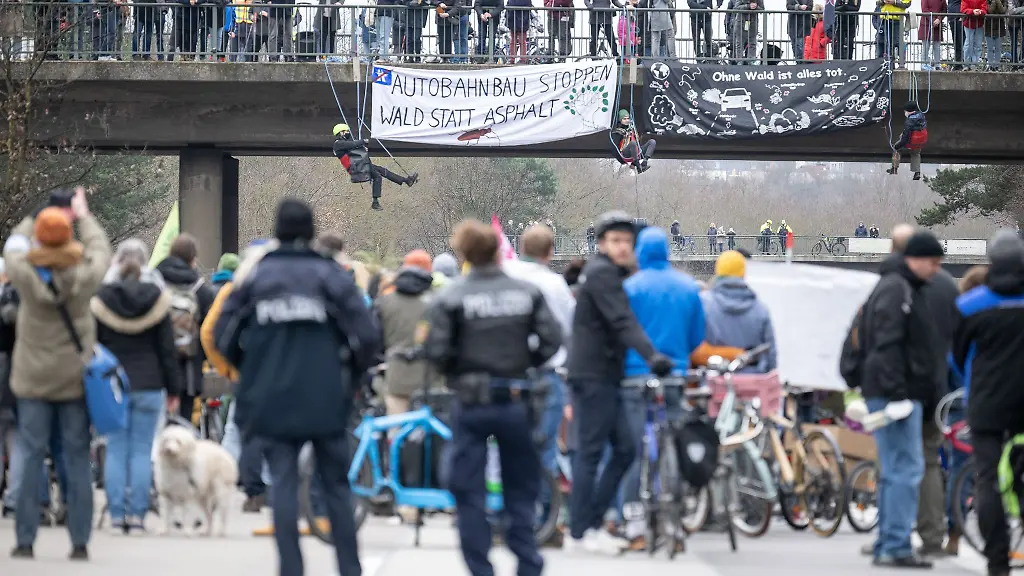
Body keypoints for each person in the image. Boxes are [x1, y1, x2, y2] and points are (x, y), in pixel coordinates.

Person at [215, 198, 381, 576]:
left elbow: (224, 336)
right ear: (310, 232)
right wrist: (350, 376)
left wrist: (252, 371)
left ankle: (291, 568)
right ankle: (348, 568)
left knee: (285, 485)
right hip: (326, 396)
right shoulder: (331, 276)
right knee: (337, 486)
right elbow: (367, 336)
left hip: (272, 397)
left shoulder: (256, 278)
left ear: (276, 230)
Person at [422, 219, 563, 576]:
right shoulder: (525, 293)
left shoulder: (452, 296)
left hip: (471, 401)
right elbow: (552, 339)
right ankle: (527, 561)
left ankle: (480, 566)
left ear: (465, 253)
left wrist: (458, 370)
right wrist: (524, 364)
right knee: (521, 484)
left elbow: (436, 351)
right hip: (516, 397)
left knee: (468, 488)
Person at [4, 188, 111, 560]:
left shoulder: (24, 275)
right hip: (73, 381)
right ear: (68, 236)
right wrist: (82, 215)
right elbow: (101, 251)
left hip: (32, 380)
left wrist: (40, 211)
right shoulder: (83, 278)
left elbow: (14, 245)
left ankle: (24, 540)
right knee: (77, 457)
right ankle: (79, 541)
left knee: (31, 455)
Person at [565, 210, 673, 554]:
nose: (623, 247)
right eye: (615, 240)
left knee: (625, 449)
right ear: (601, 244)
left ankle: (590, 522)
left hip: (604, 376)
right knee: (590, 455)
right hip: (594, 377)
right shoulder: (601, 275)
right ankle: (581, 531)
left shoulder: (605, 273)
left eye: (627, 241)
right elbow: (622, 320)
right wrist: (651, 355)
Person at [859, 230, 946, 569]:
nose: (937, 270)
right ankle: (895, 543)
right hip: (896, 393)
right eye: (934, 262)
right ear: (917, 258)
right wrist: (898, 393)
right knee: (905, 469)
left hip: (892, 391)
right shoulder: (899, 288)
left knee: (896, 468)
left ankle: (888, 541)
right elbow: (889, 343)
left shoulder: (896, 285)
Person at [619, 226, 704, 548]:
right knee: (675, 442)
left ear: (640, 252)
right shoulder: (687, 288)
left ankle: (635, 524)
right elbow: (697, 337)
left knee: (635, 449)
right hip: (675, 376)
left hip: (634, 376)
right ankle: (677, 519)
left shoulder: (630, 288)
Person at [91, 239, 182, 534]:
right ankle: (138, 516)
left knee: (116, 449)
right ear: (145, 265)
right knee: (143, 451)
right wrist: (174, 389)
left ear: (116, 262)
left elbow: (93, 348)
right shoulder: (157, 297)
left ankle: (117, 516)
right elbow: (168, 349)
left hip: (113, 386)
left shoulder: (102, 298)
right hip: (150, 383)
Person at [952, 231, 1024, 576]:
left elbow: (956, 357)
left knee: (988, 480)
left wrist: (972, 383)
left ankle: (998, 560)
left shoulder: (970, 305)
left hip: (987, 405)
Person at [889, 225, 959, 560]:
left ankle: (894, 534)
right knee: (930, 460)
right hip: (939, 385)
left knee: (895, 463)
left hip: (904, 385)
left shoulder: (898, 285)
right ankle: (932, 535)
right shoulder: (948, 286)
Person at [502, 224, 575, 537]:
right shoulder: (556, 285)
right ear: (551, 252)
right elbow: (568, 331)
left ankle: (505, 512)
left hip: (507, 373)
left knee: (506, 446)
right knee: (544, 449)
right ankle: (544, 518)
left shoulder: (504, 275)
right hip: (547, 373)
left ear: (520, 247)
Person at [155, 233, 217, 425]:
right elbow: (212, 329)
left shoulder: (154, 283)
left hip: (156, 368)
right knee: (183, 425)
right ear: (193, 258)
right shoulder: (200, 290)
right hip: (189, 369)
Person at [376, 249, 438, 417]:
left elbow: (374, 341)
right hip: (431, 381)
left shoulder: (385, 301)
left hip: (396, 378)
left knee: (397, 433)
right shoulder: (437, 302)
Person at [701, 251, 777, 373]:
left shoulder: (703, 303)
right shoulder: (760, 309)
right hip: (753, 382)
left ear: (718, 271)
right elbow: (770, 353)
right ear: (744, 273)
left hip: (715, 383)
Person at [332, 123, 418, 211]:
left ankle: (406, 180)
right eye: (346, 131)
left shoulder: (342, 144)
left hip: (359, 166)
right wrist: (363, 141)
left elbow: (353, 150)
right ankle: (375, 202)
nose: (347, 133)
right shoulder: (338, 144)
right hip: (357, 168)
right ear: (341, 133)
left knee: (382, 170)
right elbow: (352, 145)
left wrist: (362, 147)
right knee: (377, 176)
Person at [888, 102, 927, 181]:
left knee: (896, 148)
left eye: (905, 111)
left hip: (912, 141)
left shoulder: (909, 121)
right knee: (916, 153)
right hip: (921, 140)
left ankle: (894, 168)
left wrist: (898, 146)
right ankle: (917, 172)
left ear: (908, 111)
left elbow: (905, 138)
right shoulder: (921, 115)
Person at [611, 109, 655, 174]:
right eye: (624, 119)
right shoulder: (618, 132)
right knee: (632, 143)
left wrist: (633, 163)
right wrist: (622, 161)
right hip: (625, 153)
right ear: (620, 120)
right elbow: (614, 148)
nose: (627, 120)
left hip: (635, 152)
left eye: (628, 118)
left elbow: (637, 145)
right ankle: (638, 166)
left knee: (652, 142)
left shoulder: (632, 130)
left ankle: (644, 162)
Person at [877, 0, 910, 67]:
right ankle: (890, 64)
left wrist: (894, 2)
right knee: (888, 43)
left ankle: (901, 63)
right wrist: (883, 1)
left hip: (897, 19)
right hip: (885, 18)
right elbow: (877, 3)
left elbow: (906, 4)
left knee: (898, 42)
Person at [919, 0, 946, 70]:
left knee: (937, 45)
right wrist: (933, 19)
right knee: (926, 45)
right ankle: (924, 64)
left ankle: (937, 65)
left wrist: (939, 19)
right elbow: (924, 9)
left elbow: (944, 10)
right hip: (926, 23)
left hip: (937, 24)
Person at [961, 0, 987, 69]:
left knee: (978, 44)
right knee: (968, 44)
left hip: (979, 24)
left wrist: (981, 12)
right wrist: (972, 11)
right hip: (968, 24)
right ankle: (967, 63)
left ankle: (974, 63)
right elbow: (963, 9)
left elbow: (984, 8)